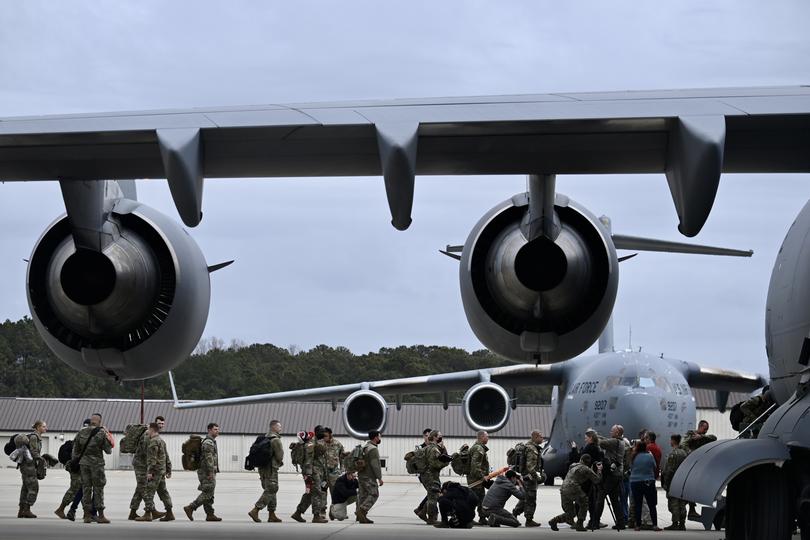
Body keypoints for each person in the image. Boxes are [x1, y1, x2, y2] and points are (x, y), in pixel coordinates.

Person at [72, 413, 113, 523]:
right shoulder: (101, 433)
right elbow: (108, 450)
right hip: (97, 465)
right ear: (100, 422)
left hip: (84, 464)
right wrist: (107, 434)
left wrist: (78, 461)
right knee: (98, 489)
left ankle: (87, 515)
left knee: (86, 488)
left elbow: (75, 450)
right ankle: (100, 515)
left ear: (90, 421)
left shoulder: (81, 432)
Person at [129, 415, 171, 520]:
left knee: (140, 488)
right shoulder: (148, 436)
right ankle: (151, 511)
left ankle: (133, 512)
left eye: (162, 424)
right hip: (141, 465)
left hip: (148, 465)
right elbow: (150, 454)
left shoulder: (157, 438)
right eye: (159, 423)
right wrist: (152, 470)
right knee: (144, 488)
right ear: (154, 424)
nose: (160, 425)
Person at [549, 454, 603, 531]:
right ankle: (580, 524)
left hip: (564, 488)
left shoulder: (573, 466)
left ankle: (554, 520)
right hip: (573, 488)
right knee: (584, 503)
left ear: (581, 459)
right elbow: (597, 480)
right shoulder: (586, 469)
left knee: (571, 513)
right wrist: (599, 470)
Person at [184, 422, 221, 521]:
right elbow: (209, 459)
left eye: (218, 429)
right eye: (215, 429)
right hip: (206, 472)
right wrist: (210, 472)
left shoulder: (210, 441)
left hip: (206, 471)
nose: (217, 431)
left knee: (209, 492)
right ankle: (191, 507)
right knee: (208, 493)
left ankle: (210, 514)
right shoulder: (208, 443)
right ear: (209, 430)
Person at [249, 419, 284, 523]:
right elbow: (279, 456)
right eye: (279, 426)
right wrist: (279, 462)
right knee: (272, 489)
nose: (281, 428)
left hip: (262, 468)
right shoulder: (276, 440)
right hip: (271, 469)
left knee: (270, 490)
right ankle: (256, 509)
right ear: (274, 427)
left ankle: (272, 514)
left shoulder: (263, 438)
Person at [569, 430, 606, 528]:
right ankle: (594, 520)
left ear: (590, 438)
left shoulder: (588, 448)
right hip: (593, 476)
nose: (585, 439)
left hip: (585, 477)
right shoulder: (597, 448)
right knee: (592, 500)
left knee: (580, 499)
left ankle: (579, 521)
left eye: (586, 437)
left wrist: (574, 449)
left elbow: (578, 459)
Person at [292, 425, 329, 523]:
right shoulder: (311, 444)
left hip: (315, 472)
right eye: (321, 431)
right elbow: (308, 460)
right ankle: (316, 516)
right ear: (316, 432)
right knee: (317, 493)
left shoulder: (317, 442)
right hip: (311, 473)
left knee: (310, 494)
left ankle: (298, 513)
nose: (323, 433)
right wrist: (308, 475)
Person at [681, 420, 717, 520]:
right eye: (705, 429)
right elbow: (683, 444)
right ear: (700, 427)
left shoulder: (704, 437)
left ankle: (692, 510)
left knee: (694, 488)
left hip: (699, 465)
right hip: (690, 464)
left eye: (707, 430)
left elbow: (714, 438)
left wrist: (701, 437)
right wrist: (691, 453)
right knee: (688, 487)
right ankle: (686, 511)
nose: (706, 431)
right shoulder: (690, 434)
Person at [594, 424, 627, 530]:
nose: (610, 432)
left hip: (611, 475)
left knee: (600, 497)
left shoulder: (614, 442)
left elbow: (601, 443)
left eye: (612, 431)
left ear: (617, 433)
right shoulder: (621, 442)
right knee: (614, 500)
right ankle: (621, 522)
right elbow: (607, 440)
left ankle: (595, 521)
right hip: (618, 474)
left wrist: (594, 435)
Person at [56, 419, 90, 521]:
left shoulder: (82, 435)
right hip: (77, 467)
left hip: (80, 466)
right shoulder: (82, 436)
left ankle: (86, 512)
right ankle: (61, 508)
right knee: (75, 489)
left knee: (84, 489)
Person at [14, 419, 47, 518]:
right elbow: (34, 451)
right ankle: (27, 509)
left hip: (27, 465)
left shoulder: (35, 436)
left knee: (25, 488)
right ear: (38, 427)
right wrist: (42, 460)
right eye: (44, 426)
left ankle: (21, 511)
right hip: (29, 465)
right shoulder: (34, 437)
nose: (46, 428)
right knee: (33, 487)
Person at [512, 430, 545, 527]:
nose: (542, 439)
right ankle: (529, 520)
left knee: (526, 498)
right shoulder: (532, 449)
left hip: (526, 477)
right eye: (541, 437)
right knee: (531, 499)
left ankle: (515, 513)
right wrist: (538, 477)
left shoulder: (528, 446)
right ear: (535, 437)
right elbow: (531, 467)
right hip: (530, 478)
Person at [629, 441, 661, 532]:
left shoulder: (633, 456)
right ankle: (654, 525)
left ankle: (638, 525)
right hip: (648, 482)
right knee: (652, 504)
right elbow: (654, 466)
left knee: (638, 504)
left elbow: (631, 467)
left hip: (635, 482)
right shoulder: (649, 456)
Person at [420, 430, 450, 524]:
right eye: (439, 436)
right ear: (434, 437)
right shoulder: (433, 449)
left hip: (427, 475)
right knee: (433, 497)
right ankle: (431, 518)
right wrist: (446, 462)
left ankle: (422, 512)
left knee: (432, 495)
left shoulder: (429, 448)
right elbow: (435, 464)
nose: (441, 437)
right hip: (431, 476)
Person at [661, 434, 688, 531]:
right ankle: (682, 523)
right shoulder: (684, 453)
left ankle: (675, 523)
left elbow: (670, 470)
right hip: (682, 482)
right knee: (682, 503)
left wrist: (666, 483)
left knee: (674, 503)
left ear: (673, 441)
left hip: (673, 482)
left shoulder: (673, 453)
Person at [356, 430, 383, 524]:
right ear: (375, 437)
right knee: (374, 494)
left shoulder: (365, 447)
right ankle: (362, 511)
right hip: (369, 476)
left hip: (361, 475)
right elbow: (375, 464)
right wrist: (379, 478)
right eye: (379, 436)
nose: (380, 438)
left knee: (363, 496)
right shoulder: (373, 449)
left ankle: (361, 517)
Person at [322, 427, 347, 520]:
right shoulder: (320, 444)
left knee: (335, 494)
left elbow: (342, 457)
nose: (324, 437)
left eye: (326, 436)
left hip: (334, 474)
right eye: (323, 436)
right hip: (323, 474)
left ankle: (333, 512)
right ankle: (322, 512)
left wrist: (342, 470)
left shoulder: (337, 444)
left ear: (330, 435)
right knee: (322, 493)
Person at [467, 430, 490, 526]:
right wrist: (482, 476)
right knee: (474, 499)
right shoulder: (479, 449)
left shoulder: (478, 447)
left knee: (481, 499)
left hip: (477, 480)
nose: (488, 438)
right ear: (481, 437)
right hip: (476, 480)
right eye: (487, 436)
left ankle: (482, 518)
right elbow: (475, 465)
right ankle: (469, 518)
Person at [413, 428, 433, 521]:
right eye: (426, 436)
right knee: (433, 493)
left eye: (429, 436)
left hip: (433, 474)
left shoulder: (435, 447)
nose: (427, 438)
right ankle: (422, 510)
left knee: (432, 493)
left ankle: (422, 510)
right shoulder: (420, 448)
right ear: (423, 437)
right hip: (424, 475)